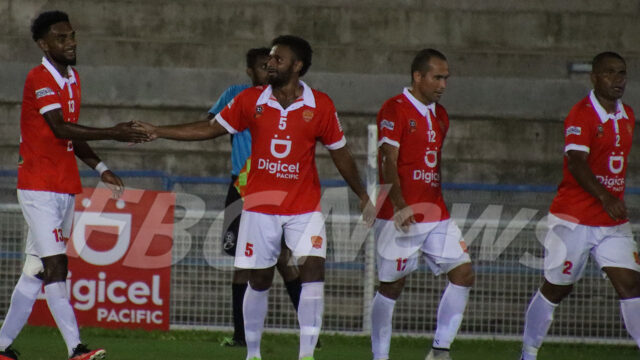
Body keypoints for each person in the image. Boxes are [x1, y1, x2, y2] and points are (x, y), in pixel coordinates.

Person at [135, 35, 374, 360]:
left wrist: (361, 194)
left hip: (304, 207)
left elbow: (340, 153)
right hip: (260, 207)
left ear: (297, 66)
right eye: (269, 60)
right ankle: (254, 354)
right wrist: (159, 130)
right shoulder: (250, 100)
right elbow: (209, 128)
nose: (269, 64)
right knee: (259, 278)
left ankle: (306, 356)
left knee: (313, 271)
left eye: (277, 59)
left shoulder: (321, 105)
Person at [0, 10, 150, 360]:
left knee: (35, 271)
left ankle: (2, 346)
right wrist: (115, 132)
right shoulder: (39, 77)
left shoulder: (72, 78)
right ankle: (75, 349)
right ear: (44, 43)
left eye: (71, 36)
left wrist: (101, 167)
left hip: (63, 186)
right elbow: (59, 128)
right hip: (38, 186)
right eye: (61, 38)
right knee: (57, 266)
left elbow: (72, 133)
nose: (70, 43)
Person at [520, 52, 640, 360]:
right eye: (610, 73)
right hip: (573, 218)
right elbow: (576, 162)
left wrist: (609, 201)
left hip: (611, 221)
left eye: (622, 73)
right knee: (557, 288)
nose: (618, 79)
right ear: (595, 77)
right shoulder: (582, 114)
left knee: (631, 285)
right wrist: (605, 196)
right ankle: (528, 352)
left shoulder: (627, 115)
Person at [370, 49, 475, 360]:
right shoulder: (394, 109)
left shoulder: (440, 116)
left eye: (446, 78)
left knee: (464, 274)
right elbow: (388, 159)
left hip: (436, 211)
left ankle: (440, 350)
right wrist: (400, 204)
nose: (443, 84)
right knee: (391, 287)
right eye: (437, 77)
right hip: (397, 213)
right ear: (418, 77)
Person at [212, 47, 305, 348]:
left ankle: (309, 332)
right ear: (250, 71)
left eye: (272, 64)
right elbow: (211, 124)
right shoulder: (236, 95)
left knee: (282, 258)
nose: (268, 70)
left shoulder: (284, 100)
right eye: (263, 66)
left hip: (270, 187)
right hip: (239, 185)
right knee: (241, 261)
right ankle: (241, 336)